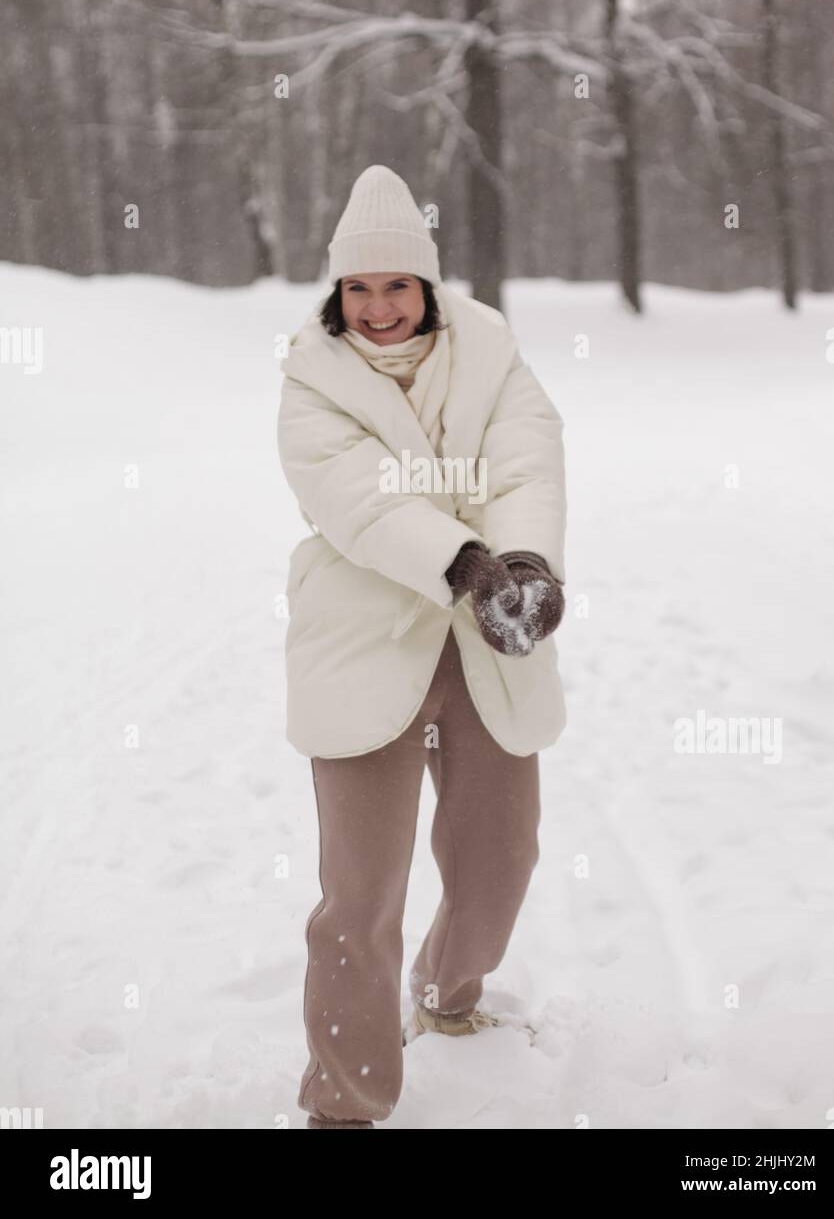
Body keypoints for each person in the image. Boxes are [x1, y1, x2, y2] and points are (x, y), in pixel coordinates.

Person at [276, 164, 568, 1129]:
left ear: (429, 287)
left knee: (501, 863)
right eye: (358, 288)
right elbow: (358, 502)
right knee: (359, 899)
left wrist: (522, 561)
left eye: (396, 285)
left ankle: (448, 993)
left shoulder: (490, 354)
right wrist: (463, 562)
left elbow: (526, 458)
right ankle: (345, 1104)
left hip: (484, 650)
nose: (378, 306)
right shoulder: (311, 381)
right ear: (336, 295)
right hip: (364, 646)